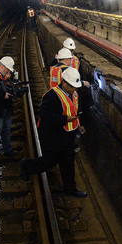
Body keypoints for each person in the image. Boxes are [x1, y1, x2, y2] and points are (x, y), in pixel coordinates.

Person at [20, 67, 87, 198]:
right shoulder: (51, 96)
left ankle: (70, 190)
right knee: (50, 162)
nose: (75, 89)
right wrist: (65, 119)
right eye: (73, 87)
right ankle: (27, 165)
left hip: (67, 135)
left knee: (68, 162)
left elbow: (74, 112)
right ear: (65, 83)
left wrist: (78, 126)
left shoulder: (74, 94)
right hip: (51, 135)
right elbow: (45, 115)